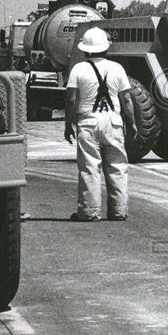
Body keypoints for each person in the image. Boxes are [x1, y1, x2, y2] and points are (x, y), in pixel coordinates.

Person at [64, 27, 138, 221]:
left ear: (85, 49)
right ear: (106, 48)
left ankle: (89, 212)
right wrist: (132, 123)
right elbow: (127, 99)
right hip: (113, 122)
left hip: (88, 122)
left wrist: (67, 124)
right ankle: (119, 211)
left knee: (89, 168)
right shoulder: (117, 68)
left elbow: (71, 99)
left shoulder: (78, 69)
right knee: (117, 167)